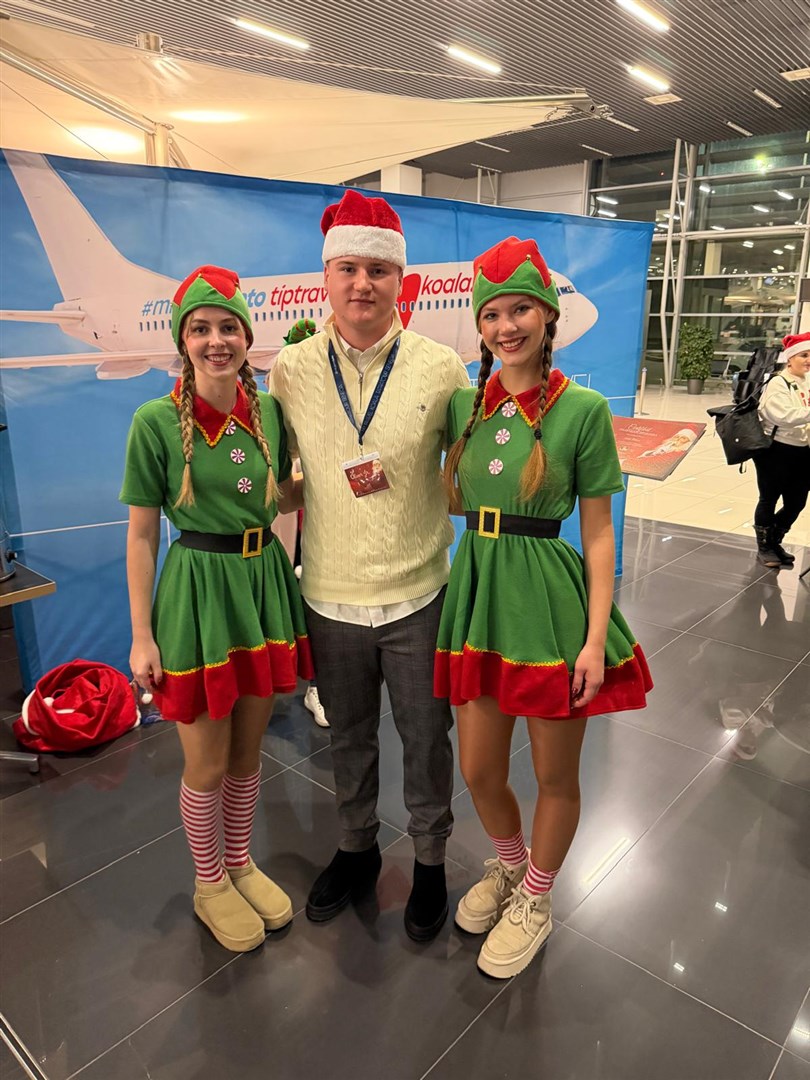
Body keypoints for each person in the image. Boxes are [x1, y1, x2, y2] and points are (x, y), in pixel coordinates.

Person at [436, 237, 653, 978]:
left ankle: (536, 895)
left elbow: (598, 532)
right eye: (491, 314)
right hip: (478, 595)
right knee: (478, 768)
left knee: (556, 775)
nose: (506, 327)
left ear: (547, 315)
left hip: (550, 604)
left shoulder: (582, 409)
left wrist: (593, 640)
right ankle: (509, 865)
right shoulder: (465, 406)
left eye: (520, 310)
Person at [270, 190, 469, 942]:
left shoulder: (441, 368)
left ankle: (430, 860)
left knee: (427, 737)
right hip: (329, 595)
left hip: (420, 593)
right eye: (348, 269)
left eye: (378, 271)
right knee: (348, 738)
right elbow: (286, 479)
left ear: (400, 281)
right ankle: (356, 847)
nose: (363, 284)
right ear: (325, 278)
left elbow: (463, 475)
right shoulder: (290, 371)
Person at [121, 265, 313, 953]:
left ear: (246, 336)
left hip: (261, 587)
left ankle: (239, 862)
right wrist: (142, 635)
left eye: (228, 326)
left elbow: (278, 497)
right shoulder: (154, 422)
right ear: (183, 341)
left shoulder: (270, 414)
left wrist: (337, 480)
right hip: (198, 596)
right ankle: (209, 884)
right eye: (200, 329)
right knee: (204, 761)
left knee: (247, 752)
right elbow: (142, 536)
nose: (216, 341)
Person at [752, 332, 810, 569]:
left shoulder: (805, 381)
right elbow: (782, 415)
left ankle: (774, 541)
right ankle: (765, 547)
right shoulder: (778, 382)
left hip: (803, 450)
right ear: (790, 358)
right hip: (776, 450)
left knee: (797, 502)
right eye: (804, 355)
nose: (808, 360)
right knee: (769, 499)